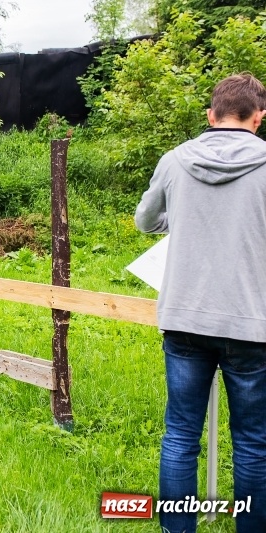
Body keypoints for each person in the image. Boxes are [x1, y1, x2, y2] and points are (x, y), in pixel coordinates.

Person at [135, 73, 266, 533]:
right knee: (253, 443)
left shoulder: (175, 160)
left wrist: (185, 218)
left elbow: (145, 220)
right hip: (253, 324)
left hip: (186, 318)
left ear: (211, 115)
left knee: (180, 436)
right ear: (259, 117)